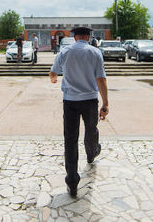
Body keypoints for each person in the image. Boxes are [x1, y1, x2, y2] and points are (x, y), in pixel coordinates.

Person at [49, 26, 109, 198]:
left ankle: (72, 181)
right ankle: (91, 154)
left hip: (70, 101)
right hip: (89, 101)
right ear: (88, 38)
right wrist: (105, 103)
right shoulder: (95, 52)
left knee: (70, 139)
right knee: (91, 130)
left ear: (75, 38)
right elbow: (101, 78)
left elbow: (53, 73)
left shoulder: (65, 52)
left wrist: (54, 79)